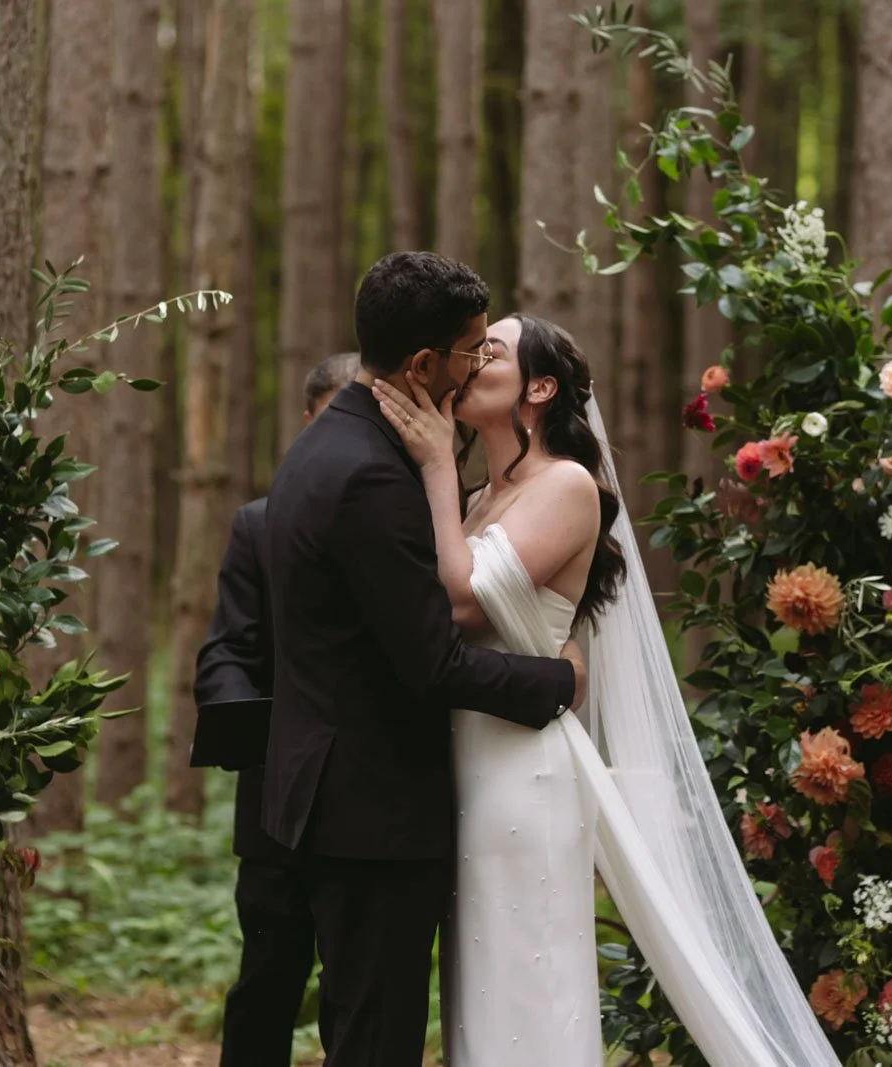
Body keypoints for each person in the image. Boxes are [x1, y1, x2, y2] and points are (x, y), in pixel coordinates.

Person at [376, 312, 841, 1067]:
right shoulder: (477, 500)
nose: (471, 362)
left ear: (540, 386)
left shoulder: (566, 485)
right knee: (480, 990)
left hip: (524, 775)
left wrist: (431, 463)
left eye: (491, 350)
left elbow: (460, 603)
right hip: (468, 765)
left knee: (531, 987)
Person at [259, 251, 587, 1067]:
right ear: (422, 364)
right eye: (471, 348)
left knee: (369, 1033)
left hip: (360, 797)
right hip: (372, 810)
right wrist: (561, 680)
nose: (477, 362)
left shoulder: (337, 444)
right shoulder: (371, 472)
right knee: (375, 1044)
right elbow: (434, 662)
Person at [194, 351, 359, 1067]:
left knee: (357, 995)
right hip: (276, 804)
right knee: (266, 982)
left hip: (375, 803)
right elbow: (226, 649)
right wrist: (246, 721)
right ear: (307, 420)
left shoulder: (409, 522)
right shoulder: (258, 527)